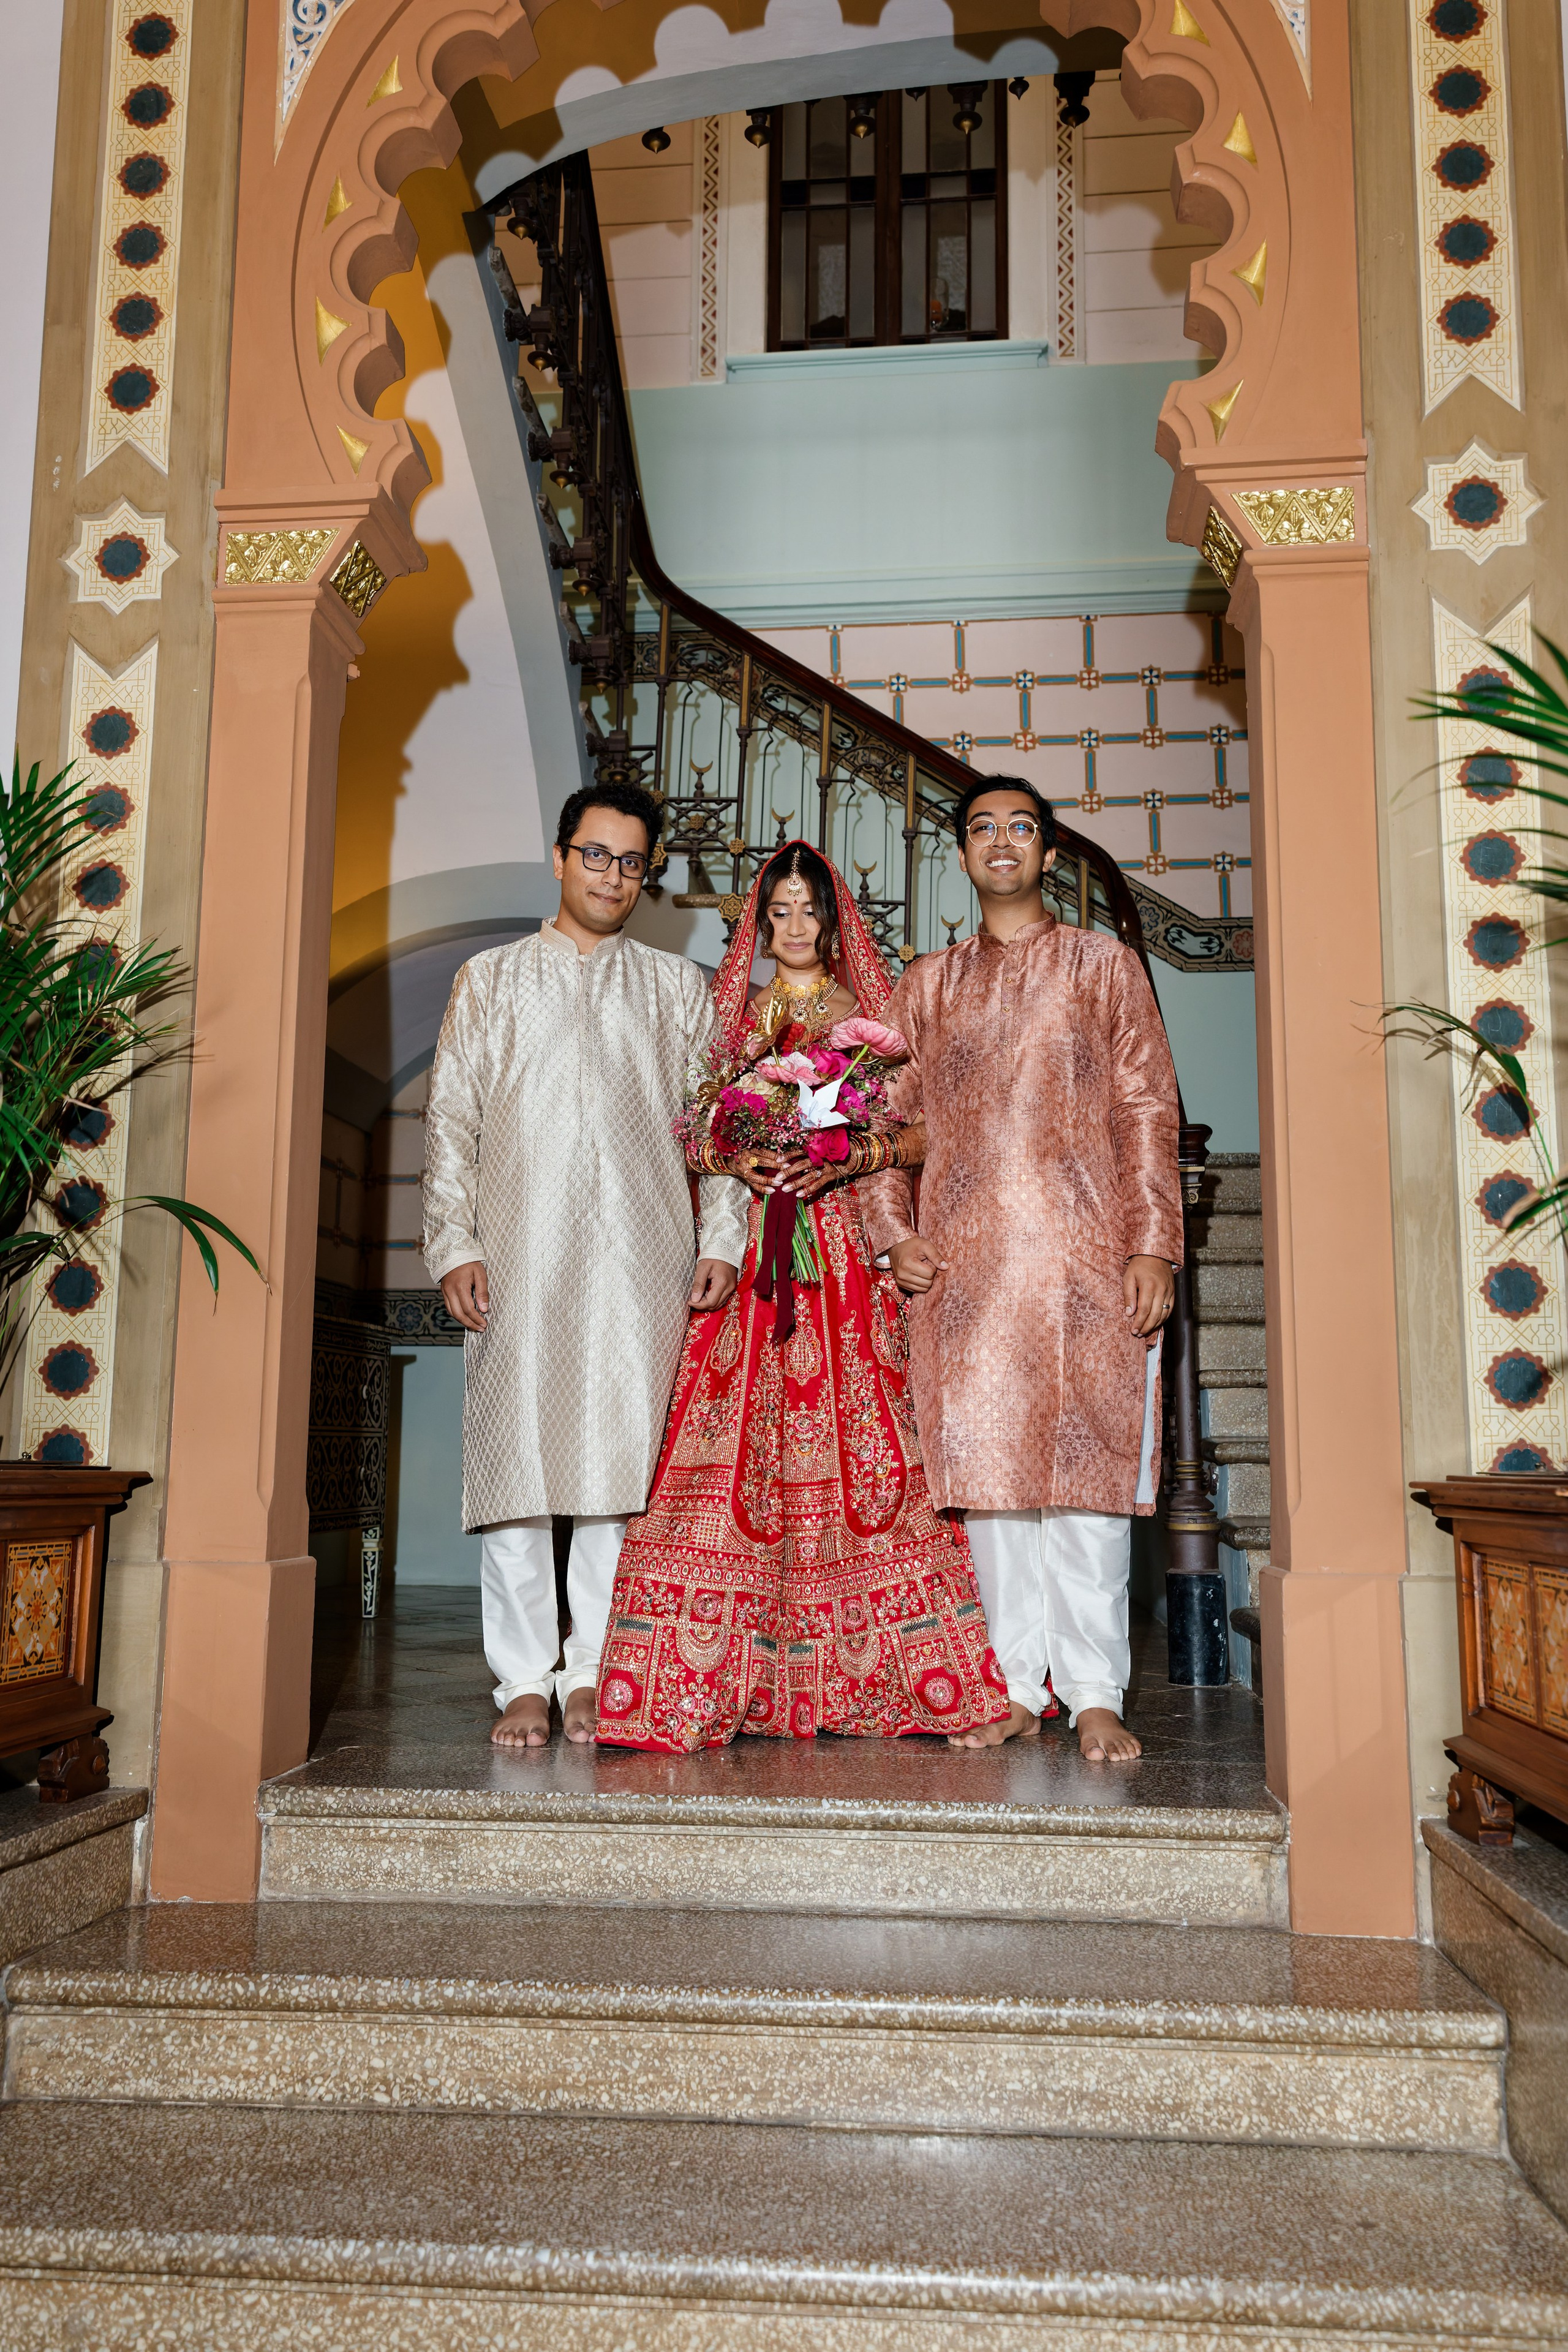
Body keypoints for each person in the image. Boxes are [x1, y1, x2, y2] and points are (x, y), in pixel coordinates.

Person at [594, 842, 1011, 1752]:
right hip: (752, 1253)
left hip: (843, 1252)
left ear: (833, 919)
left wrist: (841, 1157)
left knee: (869, 1452)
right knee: (731, 1449)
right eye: (776, 911)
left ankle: (885, 1672)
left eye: (808, 911)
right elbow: (692, 1136)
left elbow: (919, 1137)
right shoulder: (726, 1018)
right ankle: (704, 1678)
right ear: (756, 921)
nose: (792, 927)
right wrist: (741, 1153)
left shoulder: (873, 1019)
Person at [861, 777, 1182, 1762]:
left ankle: (1092, 1691)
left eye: (1023, 827)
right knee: (993, 1485)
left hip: (1089, 1260)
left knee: (1085, 1481)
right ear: (962, 857)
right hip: (968, 1270)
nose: (1002, 842)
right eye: (983, 828)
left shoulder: (1103, 965)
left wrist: (1153, 1243)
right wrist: (892, 1234)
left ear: (1048, 853)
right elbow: (882, 1124)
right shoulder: (926, 985)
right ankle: (1011, 1684)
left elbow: (1145, 1108)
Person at [422, 782, 747, 1749]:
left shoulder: (676, 989)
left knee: (616, 1470)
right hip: (516, 1250)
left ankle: (596, 1670)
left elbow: (715, 1131)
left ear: (646, 877)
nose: (611, 875)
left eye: (631, 862)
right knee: (516, 1462)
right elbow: (452, 1121)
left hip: (642, 1254)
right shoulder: (489, 979)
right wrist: (457, 1244)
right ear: (561, 857)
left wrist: (722, 1238)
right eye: (595, 855)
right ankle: (523, 1677)